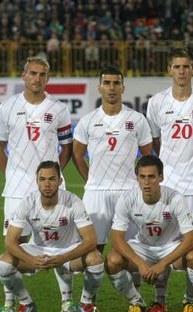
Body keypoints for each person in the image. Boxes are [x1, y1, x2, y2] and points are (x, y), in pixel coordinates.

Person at [0, 56, 77, 312]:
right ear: (23, 75)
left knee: (59, 243)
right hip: (17, 190)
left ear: (48, 78)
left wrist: (56, 174)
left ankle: (67, 302)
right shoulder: (7, 107)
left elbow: (67, 147)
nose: (37, 78)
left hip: (50, 188)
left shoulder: (59, 108)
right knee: (13, 246)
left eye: (42, 74)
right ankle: (14, 302)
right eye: (32, 73)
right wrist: (11, 174)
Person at [145, 48, 193, 312]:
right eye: (177, 66)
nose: (182, 71)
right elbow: (154, 141)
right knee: (163, 237)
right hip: (170, 182)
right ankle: (160, 301)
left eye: (186, 66)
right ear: (169, 70)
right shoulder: (157, 102)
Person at [0, 161, 104, 312]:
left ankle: (86, 303)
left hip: (68, 250)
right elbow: (10, 242)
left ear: (60, 181)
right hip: (38, 250)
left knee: (95, 259)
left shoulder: (73, 202)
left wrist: (63, 258)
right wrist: (32, 260)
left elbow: (91, 240)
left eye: (52, 179)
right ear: (37, 181)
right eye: (43, 179)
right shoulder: (28, 202)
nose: (47, 184)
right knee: (4, 263)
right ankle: (26, 303)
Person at [105, 155, 193, 312]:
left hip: (172, 245)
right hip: (143, 247)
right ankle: (136, 303)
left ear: (161, 177)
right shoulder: (128, 199)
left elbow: (190, 239)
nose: (146, 182)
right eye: (142, 177)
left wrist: (162, 264)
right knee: (112, 260)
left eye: (151, 176)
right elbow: (116, 238)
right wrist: (141, 264)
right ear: (136, 177)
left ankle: (189, 302)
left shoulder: (175, 198)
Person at [72, 65, 153, 254]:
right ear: (99, 87)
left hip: (129, 192)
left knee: (132, 250)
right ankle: (88, 285)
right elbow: (77, 154)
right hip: (95, 194)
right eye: (107, 83)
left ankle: (135, 285)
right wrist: (91, 179)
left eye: (116, 83)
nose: (111, 87)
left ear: (123, 88)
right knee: (91, 249)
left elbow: (147, 157)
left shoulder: (137, 119)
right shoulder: (88, 120)